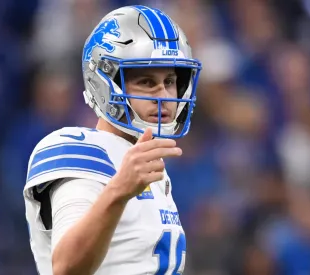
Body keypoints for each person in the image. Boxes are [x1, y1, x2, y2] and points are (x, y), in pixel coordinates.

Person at [23, 5, 202, 275]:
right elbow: (66, 267)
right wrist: (118, 191)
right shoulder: (78, 149)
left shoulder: (150, 166)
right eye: (146, 82)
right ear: (105, 83)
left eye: (169, 80)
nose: (164, 95)